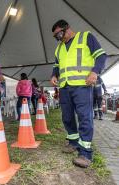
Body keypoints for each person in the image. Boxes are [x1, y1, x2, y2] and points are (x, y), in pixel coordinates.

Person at [50, 20, 107, 168]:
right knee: (67, 117)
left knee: (84, 117)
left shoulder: (86, 37)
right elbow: (57, 65)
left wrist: (95, 72)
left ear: (67, 29)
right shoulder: (59, 48)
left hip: (82, 85)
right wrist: (54, 75)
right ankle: (73, 143)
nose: (58, 38)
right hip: (65, 87)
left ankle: (85, 153)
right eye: (55, 36)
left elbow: (101, 56)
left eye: (59, 34)